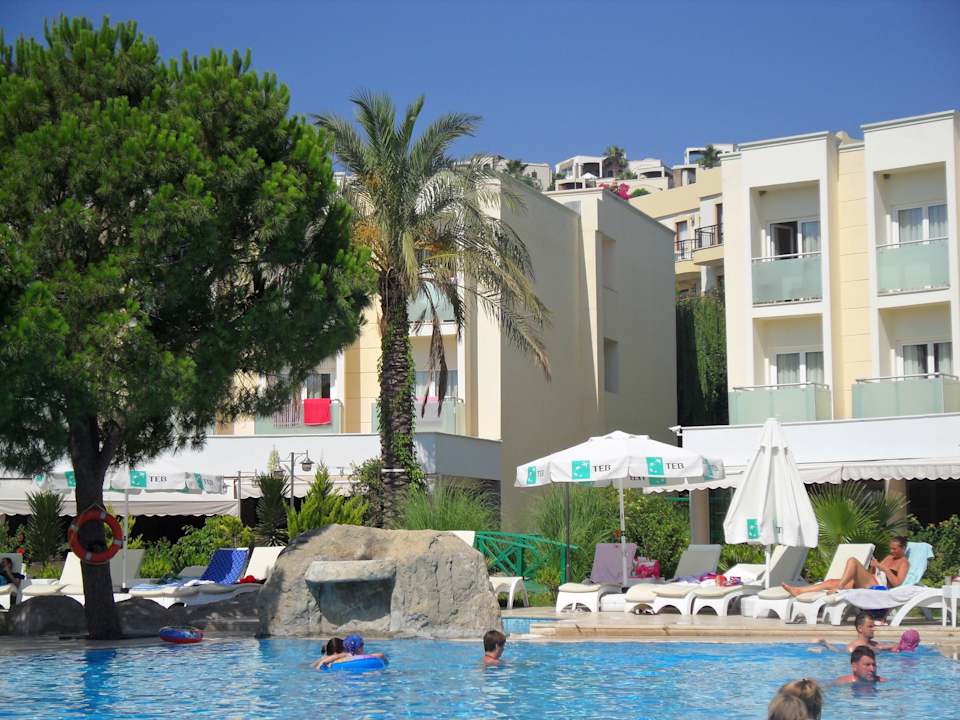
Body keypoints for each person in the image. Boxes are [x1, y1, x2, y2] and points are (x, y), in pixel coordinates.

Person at [784, 536, 910, 598]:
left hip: (880, 587)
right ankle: (799, 591)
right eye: (891, 548)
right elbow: (876, 571)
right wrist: (874, 567)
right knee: (830, 582)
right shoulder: (889, 557)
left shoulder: (904, 562)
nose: (891, 551)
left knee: (853, 561)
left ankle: (840, 588)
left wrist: (883, 568)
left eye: (894, 549)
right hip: (872, 580)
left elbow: (897, 583)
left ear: (903, 548)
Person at [816, 611, 898, 653]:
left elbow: (886, 646)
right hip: (843, 652)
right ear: (860, 628)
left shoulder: (874, 644)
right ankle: (825, 644)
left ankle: (825, 644)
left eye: (874, 626)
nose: (874, 629)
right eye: (870, 626)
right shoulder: (853, 648)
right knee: (838, 651)